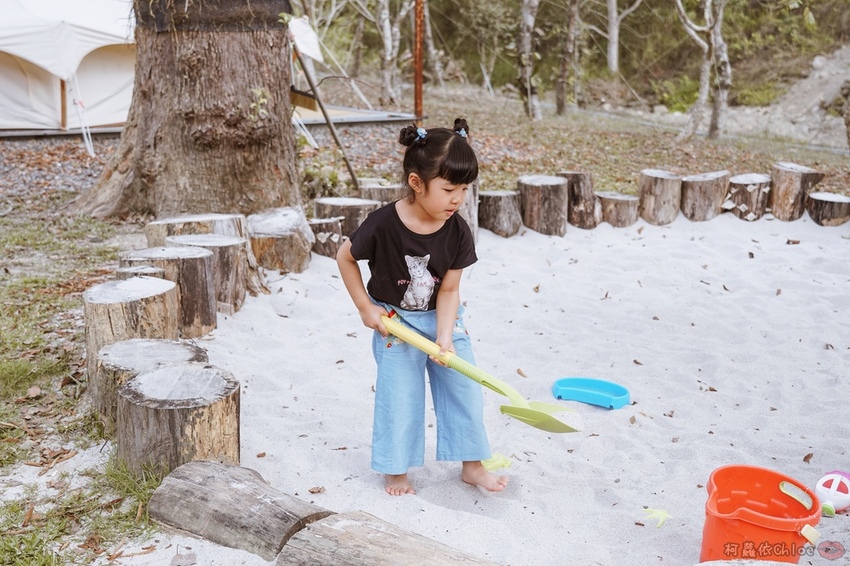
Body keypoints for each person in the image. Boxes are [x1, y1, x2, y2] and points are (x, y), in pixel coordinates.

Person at [336, 118, 508, 496]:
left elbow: (449, 290)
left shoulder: (458, 230)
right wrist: (365, 307)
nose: (458, 199)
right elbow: (344, 257)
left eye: (464, 189)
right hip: (395, 323)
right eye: (448, 189)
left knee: (464, 388)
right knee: (400, 395)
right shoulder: (382, 224)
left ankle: (473, 466)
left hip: (442, 319)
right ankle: (396, 470)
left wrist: (445, 336)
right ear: (417, 182)